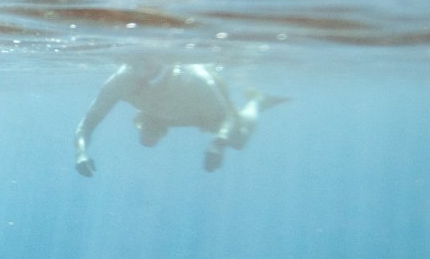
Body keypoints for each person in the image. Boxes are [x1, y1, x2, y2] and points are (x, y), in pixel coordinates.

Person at [74, 61, 282, 175]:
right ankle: (153, 123)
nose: (143, 71)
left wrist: (218, 143)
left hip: (201, 112)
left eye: (150, 63)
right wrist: (81, 152)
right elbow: (87, 124)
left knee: (238, 140)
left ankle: (257, 102)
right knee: (148, 140)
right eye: (136, 62)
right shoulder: (120, 82)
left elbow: (227, 116)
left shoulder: (194, 77)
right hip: (159, 114)